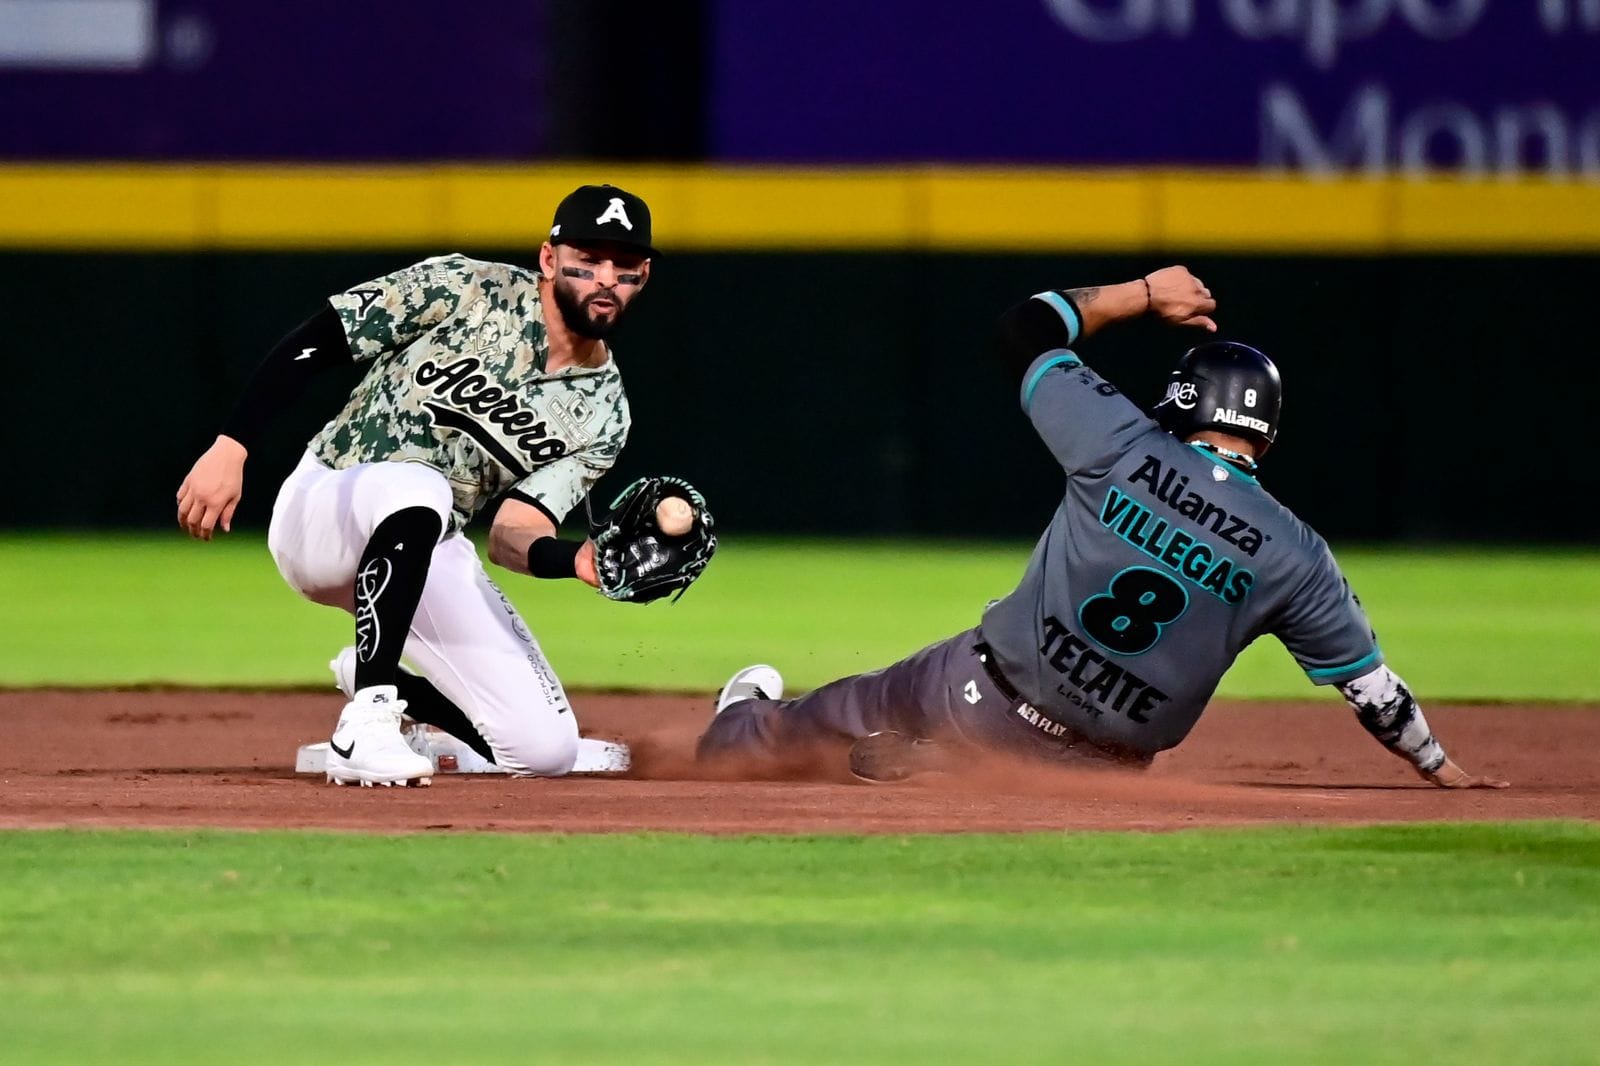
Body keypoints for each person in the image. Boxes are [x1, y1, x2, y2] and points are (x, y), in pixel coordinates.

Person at [698, 266, 1508, 790]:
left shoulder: (1121, 443)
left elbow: (1022, 331)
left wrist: (1147, 295)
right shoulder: (1297, 555)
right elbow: (1374, 693)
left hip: (983, 698)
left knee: (827, 716)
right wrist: (1440, 768)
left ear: (1185, 400)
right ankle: (957, 766)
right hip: (1107, 770)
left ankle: (742, 729)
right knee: (1028, 756)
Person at [177, 183, 659, 787]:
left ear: (642, 275)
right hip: (328, 506)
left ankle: (385, 687)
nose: (605, 278)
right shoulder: (466, 288)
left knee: (545, 752)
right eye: (588, 261)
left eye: (624, 267)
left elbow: (512, 536)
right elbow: (318, 339)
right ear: (548, 259)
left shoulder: (604, 413)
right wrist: (233, 444)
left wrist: (578, 560)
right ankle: (367, 725)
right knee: (420, 483)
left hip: (422, 544)